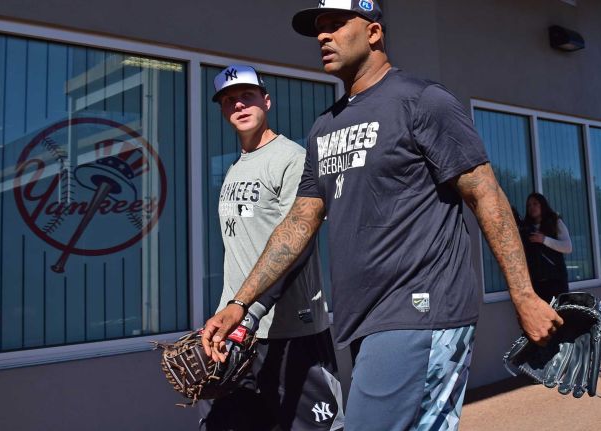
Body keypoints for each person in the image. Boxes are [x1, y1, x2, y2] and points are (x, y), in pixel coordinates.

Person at [202, 3, 563, 429]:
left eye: (335, 25)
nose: (322, 37)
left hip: (420, 308)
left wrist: (523, 294)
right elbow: (298, 224)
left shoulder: (421, 100)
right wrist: (240, 304)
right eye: (319, 29)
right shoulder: (325, 127)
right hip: (364, 320)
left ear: (374, 33)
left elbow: (486, 194)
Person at [198, 64, 344, 431]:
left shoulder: (292, 160)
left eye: (247, 96)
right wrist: (228, 316)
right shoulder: (235, 168)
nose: (239, 105)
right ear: (222, 111)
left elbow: (299, 246)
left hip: (293, 331)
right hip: (237, 334)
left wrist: (248, 312)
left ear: (266, 100)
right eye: (229, 100)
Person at [521, 192, 573, 303]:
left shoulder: (555, 222)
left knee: (559, 316)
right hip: (536, 283)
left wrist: (544, 240)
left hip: (556, 281)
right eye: (529, 205)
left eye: (535, 204)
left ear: (542, 205)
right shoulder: (526, 228)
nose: (532, 207)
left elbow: (568, 247)